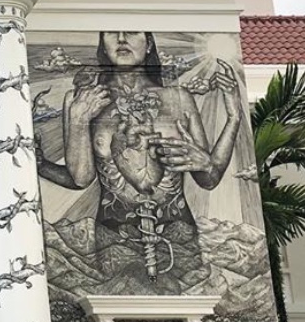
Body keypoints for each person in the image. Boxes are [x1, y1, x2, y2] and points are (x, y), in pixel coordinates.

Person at [39, 31, 241, 292]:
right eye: (112, 34)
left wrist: (233, 118)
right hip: (115, 237)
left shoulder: (179, 99)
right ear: (102, 45)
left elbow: (209, 179)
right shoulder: (81, 100)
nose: (122, 39)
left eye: (132, 33)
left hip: (178, 233)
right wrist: (78, 120)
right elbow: (81, 178)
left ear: (149, 45)